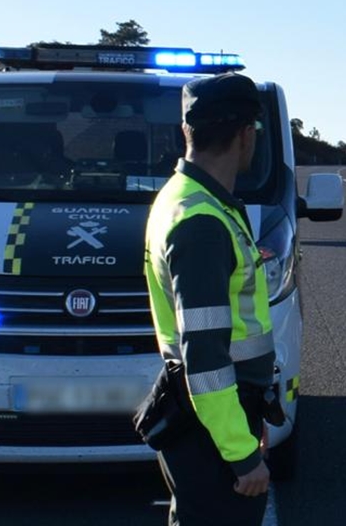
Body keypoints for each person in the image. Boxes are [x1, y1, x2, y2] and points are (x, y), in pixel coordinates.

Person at [144, 72, 275, 526]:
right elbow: (205, 357)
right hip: (214, 424)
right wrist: (241, 455)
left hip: (215, 416)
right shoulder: (202, 221)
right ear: (245, 136)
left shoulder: (187, 199)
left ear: (187, 132)